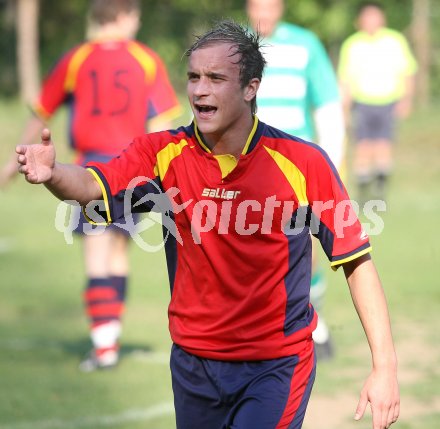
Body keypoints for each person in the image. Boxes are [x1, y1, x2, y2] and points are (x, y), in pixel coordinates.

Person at [15, 20, 399, 429]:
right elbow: (94, 185)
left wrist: (385, 367)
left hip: (276, 364)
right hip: (193, 365)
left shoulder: (303, 163)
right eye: (194, 77)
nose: (200, 90)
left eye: (216, 78)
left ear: (251, 88)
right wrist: (54, 174)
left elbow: (357, 263)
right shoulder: (161, 152)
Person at [2, 0, 181, 371]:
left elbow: (42, 111)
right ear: (122, 15)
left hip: (92, 170)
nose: (137, 22)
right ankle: (109, 339)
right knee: (117, 251)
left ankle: (103, 347)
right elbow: (162, 122)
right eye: (136, 16)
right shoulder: (146, 58)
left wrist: (13, 160)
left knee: (97, 254)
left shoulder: (77, 58)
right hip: (134, 168)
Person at [247, 0, 346, 360]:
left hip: (296, 167)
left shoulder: (305, 44)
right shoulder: (236, 44)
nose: (264, 10)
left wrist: (330, 163)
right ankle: (262, 326)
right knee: (249, 246)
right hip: (246, 167)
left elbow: (328, 104)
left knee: (301, 245)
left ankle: (312, 323)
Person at [338, 1, 417, 203]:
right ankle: (364, 194)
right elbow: (345, 79)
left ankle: (380, 191)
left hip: (388, 101)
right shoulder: (352, 44)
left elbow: (408, 72)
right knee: (363, 147)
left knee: (383, 145)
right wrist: (344, 109)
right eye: (367, 17)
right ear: (359, 21)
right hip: (362, 103)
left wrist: (406, 99)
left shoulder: (395, 41)